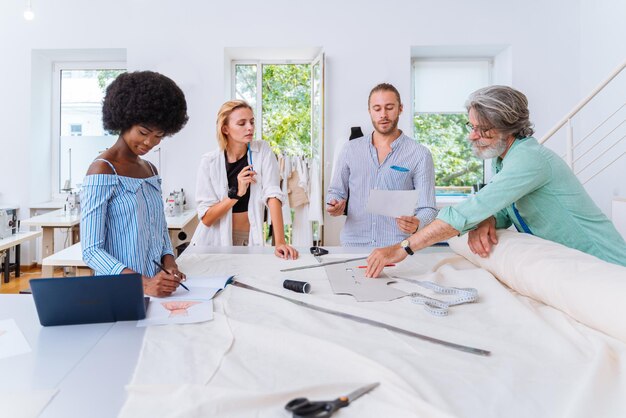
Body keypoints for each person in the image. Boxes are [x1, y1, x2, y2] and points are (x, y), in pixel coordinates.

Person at [365, 85, 626, 277]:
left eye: (482, 129)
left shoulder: (529, 160)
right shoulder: (505, 160)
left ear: (508, 126)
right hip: (574, 266)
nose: (472, 136)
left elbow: (469, 210)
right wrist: (488, 218)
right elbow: (502, 211)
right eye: (471, 127)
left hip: (608, 266)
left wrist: (403, 248)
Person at [81, 71, 189, 297]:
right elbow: (91, 251)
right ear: (123, 120)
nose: (150, 142)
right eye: (143, 132)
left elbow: (160, 232)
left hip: (156, 292)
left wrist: (170, 263)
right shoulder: (102, 169)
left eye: (159, 136)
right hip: (118, 293)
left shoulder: (150, 170)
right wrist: (143, 284)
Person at [326, 83, 437, 247]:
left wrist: (418, 222)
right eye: (377, 109)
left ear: (400, 108)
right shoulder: (350, 149)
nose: (383, 114)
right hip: (353, 244)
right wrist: (334, 204)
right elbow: (335, 192)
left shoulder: (419, 154)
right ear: (369, 111)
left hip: (398, 248)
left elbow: (428, 208)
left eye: (389, 107)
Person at [190, 100, 298, 259]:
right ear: (225, 128)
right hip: (213, 240)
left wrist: (280, 242)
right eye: (242, 123)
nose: (250, 127)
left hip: (249, 238)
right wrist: (236, 194)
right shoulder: (209, 162)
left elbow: (272, 193)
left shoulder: (262, 151)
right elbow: (206, 218)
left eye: (252, 122)